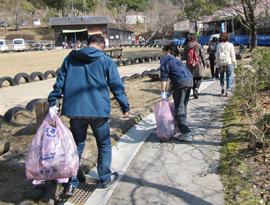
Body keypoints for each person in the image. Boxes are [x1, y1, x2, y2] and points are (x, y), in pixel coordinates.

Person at [48, 35, 130, 197]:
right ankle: (105, 177)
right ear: (102, 46)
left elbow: (60, 81)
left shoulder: (71, 57)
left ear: (87, 44)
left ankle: (70, 184)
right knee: (104, 145)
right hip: (98, 111)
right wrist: (124, 105)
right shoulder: (105, 59)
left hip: (75, 111)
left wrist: (54, 101)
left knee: (76, 146)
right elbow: (115, 84)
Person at [160, 43, 194, 140]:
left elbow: (164, 76)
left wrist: (163, 91)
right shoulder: (176, 61)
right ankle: (184, 128)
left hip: (181, 83)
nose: (163, 54)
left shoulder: (166, 59)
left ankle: (186, 133)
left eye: (164, 51)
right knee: (183, 107)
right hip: (189, 81)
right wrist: (168, 93)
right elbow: (174, 80)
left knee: (179, 108)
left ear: (168, 51)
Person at [181, 33, 206, 99]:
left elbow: (183, 57)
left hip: (189, 65)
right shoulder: (198, 45)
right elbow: (202, 55)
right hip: (198, 64)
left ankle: (194, 90)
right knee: (199, 78)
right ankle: (196, 90)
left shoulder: (186, 47)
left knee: (192, 79)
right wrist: (204, 63)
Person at [216, 32, 237, 97]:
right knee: (229, 77)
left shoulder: (219, 45)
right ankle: (228, 91)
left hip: (221, 63)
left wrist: (217, 62)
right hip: (228, 62)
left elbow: (217, 55)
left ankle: (222, 88)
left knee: (222, 75)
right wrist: (234, 62)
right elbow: (232, 54)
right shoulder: (230, 45)